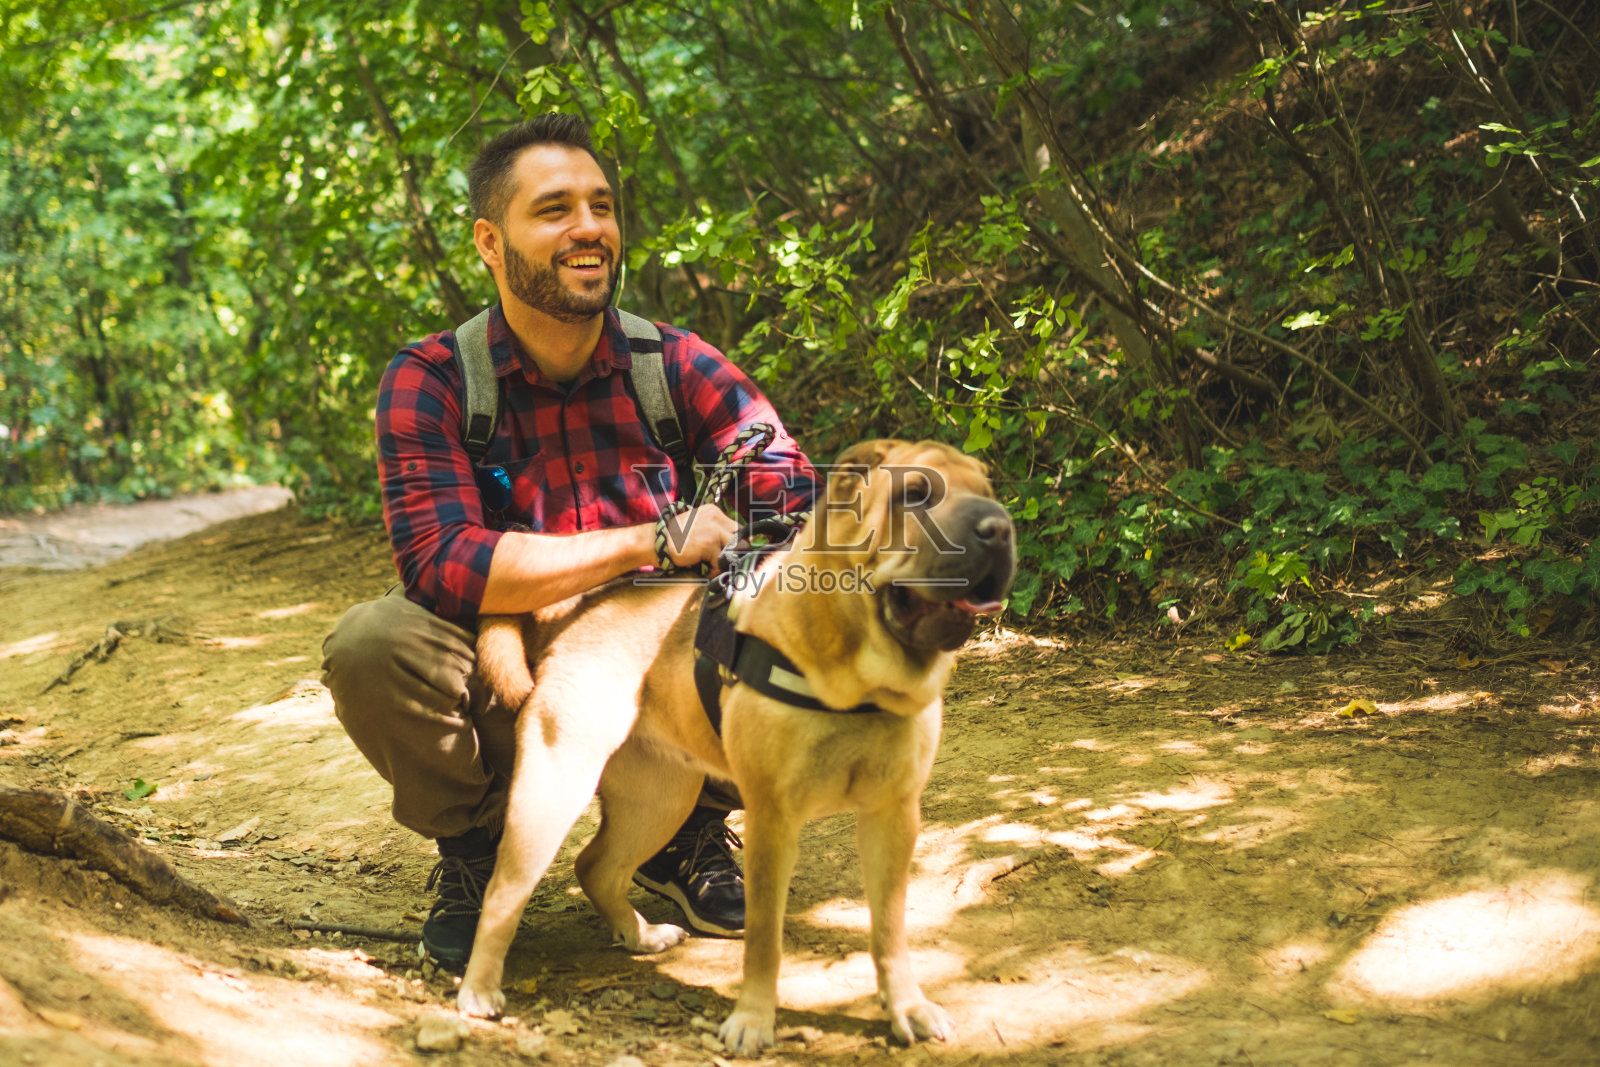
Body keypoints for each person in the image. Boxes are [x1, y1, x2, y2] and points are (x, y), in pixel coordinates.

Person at [321, 112, 817, 972]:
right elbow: (442, 566)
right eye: (554, 209)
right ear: (490, 240)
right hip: (513, 675)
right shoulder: (433, 378)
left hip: (659, 674)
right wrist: (654, 542)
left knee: (793, 604)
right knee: (375, 644)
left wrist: (751, 568)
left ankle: (684, 833)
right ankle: (477, 852)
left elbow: (792, 493)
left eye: (600, 205)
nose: (589, 227)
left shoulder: (673, 363)